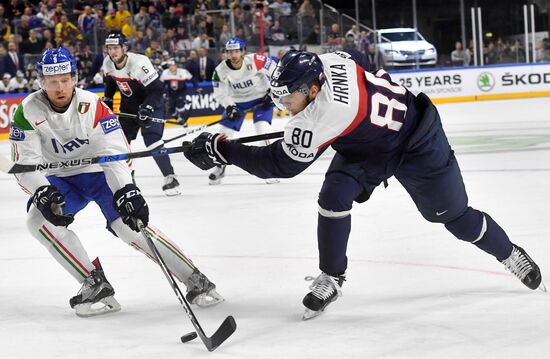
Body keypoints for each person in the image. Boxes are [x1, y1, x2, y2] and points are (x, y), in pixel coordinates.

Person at [183, 49, 544, 319]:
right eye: (278, 95)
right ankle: (331, 277)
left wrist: (223, 149)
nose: (282, 105)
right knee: (333, 196)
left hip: (419, 142)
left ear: (312, 88)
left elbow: (280, 164)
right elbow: (360, 58)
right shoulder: (329, 61)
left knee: (454, 217)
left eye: (288, 96)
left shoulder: (324, 115)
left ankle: (509, 252)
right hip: (367, 144)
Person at [9, 48, 223, 318]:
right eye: (52, 81)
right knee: (37, 222)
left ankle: (194, 278)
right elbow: (24, 163)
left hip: (100, 174)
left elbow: (114, 153)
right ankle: (94, 284)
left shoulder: (93, 105)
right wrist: (42, 191)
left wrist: (126, 190)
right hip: (61, 180)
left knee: (129, 226)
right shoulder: (26, 110)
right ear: (41, 81)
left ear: (75, 78)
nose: (59, 87)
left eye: (64, 79)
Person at [102, 32, 181, 196]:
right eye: (109, 48)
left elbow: (157, 90)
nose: (112, 52)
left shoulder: (139, 63)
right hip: (128, 107)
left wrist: (147, 108)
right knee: (120, 143)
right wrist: (108, 100)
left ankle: (170, 177)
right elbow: (111, 83)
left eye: (116, 48)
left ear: (124, 48)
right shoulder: (108, 63)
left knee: (152, 140)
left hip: (152, 104)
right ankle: (127, 181)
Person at [208, 37, 279, 185]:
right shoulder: (219, 71)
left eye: (236, 51)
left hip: (261, 100)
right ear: (226, 53)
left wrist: (273, 93)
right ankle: (220, 168)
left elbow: (277, 72)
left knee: (263, 133)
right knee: (222, 135)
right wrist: (229, 106)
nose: (233, 55)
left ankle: (270, 168)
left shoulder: (256, 60)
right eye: (230, 52)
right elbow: (220, 93)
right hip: (238, 104)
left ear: (242, 51)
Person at [160, 59, 193, 126]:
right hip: (171, 93)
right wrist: (162, 92)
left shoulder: (183, 71)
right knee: (171, 109)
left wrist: (198, 87)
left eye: (173, 66)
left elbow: (192, 79)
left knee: (179, 105)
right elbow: (161, 84)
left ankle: (185, 106)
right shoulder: (165, 72)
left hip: (181, 91)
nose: (171, 67)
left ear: (176, 66)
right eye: (170, 66)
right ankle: (180, 120)